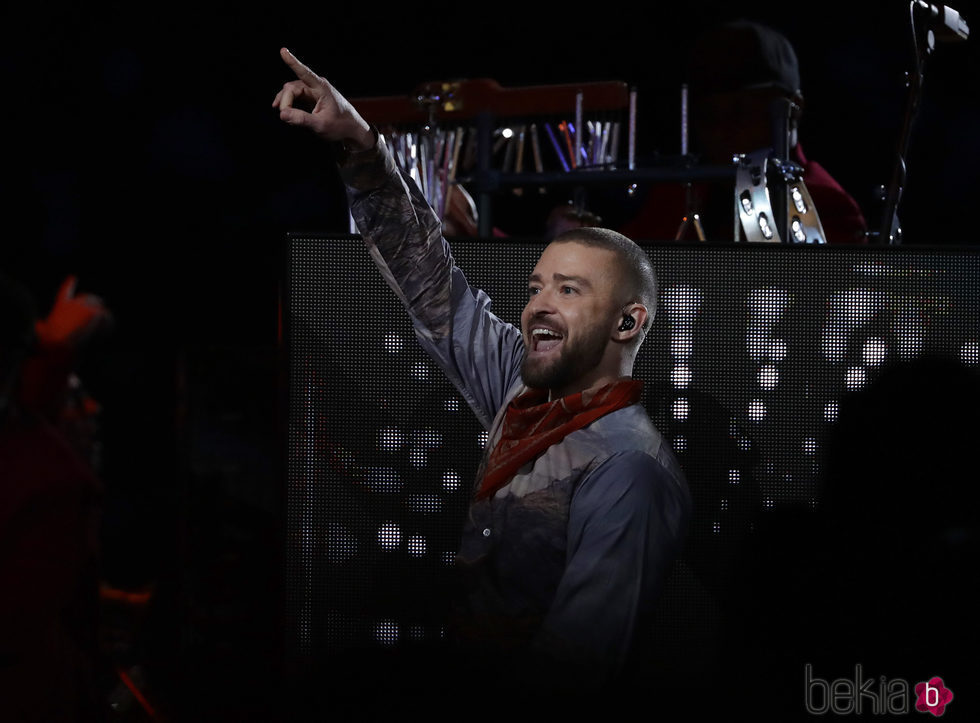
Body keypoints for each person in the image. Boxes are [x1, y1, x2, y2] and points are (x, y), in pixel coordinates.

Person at [273, 48, 690, 707]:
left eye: (570, 289)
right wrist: (360, 145)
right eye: (536, 286)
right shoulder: (522, 391)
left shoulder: (629, 471)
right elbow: (429, 280)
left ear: (627, 322)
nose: (539, 305)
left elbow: (574, 672)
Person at [620, 20, 868, 244]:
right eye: (708, 116)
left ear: (794, 111)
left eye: (742, 112)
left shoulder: (825, 204)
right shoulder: (675, 195)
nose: (721, 130)